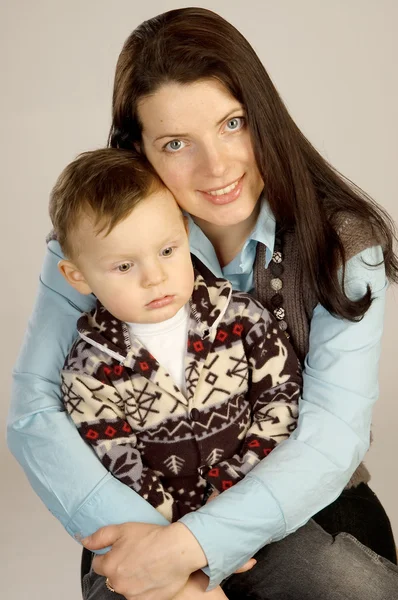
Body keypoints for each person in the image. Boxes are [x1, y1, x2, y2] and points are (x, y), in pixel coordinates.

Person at [8, 6, 398, 600]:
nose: (217, 167)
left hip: (304, 502)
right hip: (141, 508)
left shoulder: (345, 245)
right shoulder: (94, 245)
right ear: (137, 149)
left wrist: (191, 550)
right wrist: (154, 552)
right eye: (174, 142)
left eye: (233, 123)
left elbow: (332, 437)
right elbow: (34, 411)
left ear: (263, 116)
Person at [49, 147, 301, 597]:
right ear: (78, 276)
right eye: (124, 266)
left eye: (167, 250)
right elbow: (119, 465)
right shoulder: (89, 370)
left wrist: (229, 513)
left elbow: (279, 403)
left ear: (186, 236)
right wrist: (181, 542)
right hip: (154, 533)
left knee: (351, 583)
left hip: (256, 514)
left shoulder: (240, 318)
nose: (154, 277)